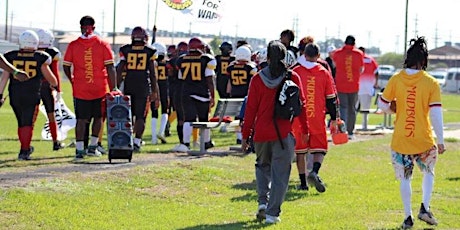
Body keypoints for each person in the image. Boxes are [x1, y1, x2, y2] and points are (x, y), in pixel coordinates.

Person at [378, 36, 445, 229]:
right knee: (429, 172)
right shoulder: (431, 83)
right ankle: (424, 207)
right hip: (424, 138)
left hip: (401, 140)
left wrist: (394, 109)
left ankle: (408, 217)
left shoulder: (396, 79)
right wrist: (440, 140)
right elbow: (436, 114)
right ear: (424, 61)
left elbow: (383, 105)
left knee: (405, 178)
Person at [241, 40, 309, 224]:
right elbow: (301, 105)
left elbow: (250, 111)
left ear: (268, 57)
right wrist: (305, 129)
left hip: (261, 133)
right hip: (284, 134)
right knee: (281, 174)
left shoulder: (257, 79)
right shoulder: (292, 77)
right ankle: (272, 214)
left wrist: (246, 135)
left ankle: (263, 202)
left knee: (262, 167)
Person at [63, 15, 117, 160]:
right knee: (98, 118)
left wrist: (72, 79)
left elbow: (66, 66)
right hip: (99, 87)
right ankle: (93, 147)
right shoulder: (102, 44)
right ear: (94, 27)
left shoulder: (73, 45)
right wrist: (114, 87)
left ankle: (80, 151)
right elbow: (110, 67)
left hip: (80, 88)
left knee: (81, 119)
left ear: (81, 27)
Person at [0, 30, 58, 160]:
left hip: (15, 94)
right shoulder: (40, 57)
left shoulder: (11, 56)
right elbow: (52, 80)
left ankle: (24, 147)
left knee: (21, 122)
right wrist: (53, 84)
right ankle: (24, 150)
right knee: (27, 123)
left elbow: (4, 78)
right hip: (32, 95)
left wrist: (0, 94)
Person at [292, 43, 337, 192]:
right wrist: (335, 117)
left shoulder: (296, 71)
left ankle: (303, 183)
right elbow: (331, 98)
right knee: (320, 149)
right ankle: (315, 171)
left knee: (300, 151)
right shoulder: (324, 72)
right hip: (317, 117)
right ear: (318, 56)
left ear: (304, 54)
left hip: (299, 119)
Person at [116, 26, 159, 152]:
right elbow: (152, 73)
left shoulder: (126, 49)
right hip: (143, 86)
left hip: (129, 84)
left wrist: (116, 86)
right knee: (141, 116)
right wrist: (155, 91)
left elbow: (119, 69)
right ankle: (136, 142)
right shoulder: (150, 51)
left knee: (128, 115)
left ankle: (127, 139)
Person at [175, 37, 216, 151]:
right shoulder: (206, 59)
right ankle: (206, 142)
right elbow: (209, 80)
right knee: (204, 119)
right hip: (202, 94)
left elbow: (180, 77)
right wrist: (212, 96)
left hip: (187, 93)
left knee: (188, 118)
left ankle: (185, 144)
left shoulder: (182, 59)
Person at [36, 28, 64, 151]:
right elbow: (55, 72)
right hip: (47, 86)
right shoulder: (52, 52)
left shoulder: (32, 52)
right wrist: (58, 89)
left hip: (33, 86)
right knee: (51, 114)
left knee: (32, 115)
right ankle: (55, 141)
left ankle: (25, 146)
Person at [332, 35, 364, 140]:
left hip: (340, 85)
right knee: (352, 109)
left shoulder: (337, 53)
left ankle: (342, 131)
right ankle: (350, 132)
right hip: (354, 85)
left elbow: (334, 66)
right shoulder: (359, 54)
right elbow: (361, 69)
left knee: (343, 108)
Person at [226, 45, 257, 144]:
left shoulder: (230, 67)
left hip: (234, 96)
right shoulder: (250, 68)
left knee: (238, 118)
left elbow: (229, 83)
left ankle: (239, 137)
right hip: (246, 96)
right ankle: (246, 137)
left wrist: (228, 93)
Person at [151, 42, 169, 145]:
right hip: (164, 88)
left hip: (154, 87)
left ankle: (154, 138)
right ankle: (161, 131)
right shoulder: (167, 63)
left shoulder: (152, 63)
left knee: (154, 113)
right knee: (165, 110)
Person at [357, 47, 379, 128]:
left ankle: (350, 126)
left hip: (356, 87)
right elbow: (377, 72)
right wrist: (375, 83)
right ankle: (364, 126)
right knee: (366, 108)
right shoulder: (371, 59)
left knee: (352, 109)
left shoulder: (355, 59)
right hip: (367, 88)